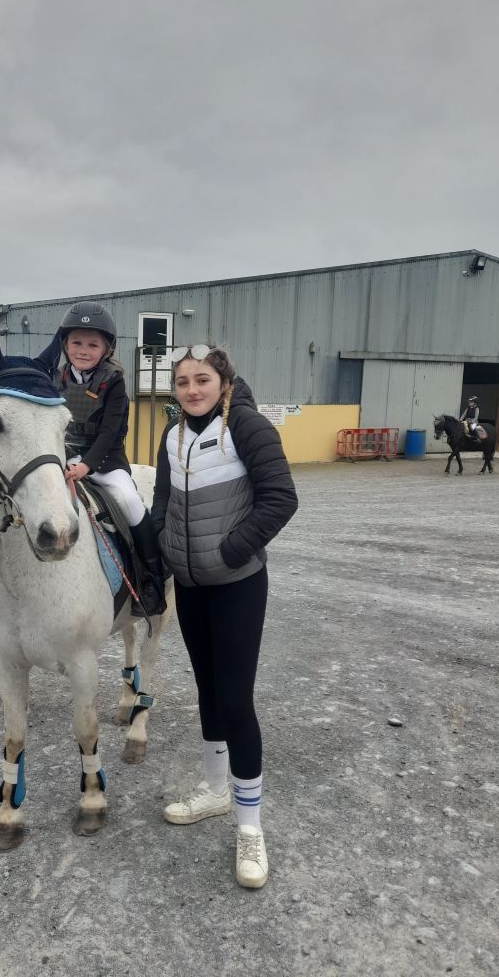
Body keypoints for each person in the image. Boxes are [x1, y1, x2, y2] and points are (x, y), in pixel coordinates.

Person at [151, 343, 298, 888]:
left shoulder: (248, 427)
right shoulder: (173, 435)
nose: (192, 389)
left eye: (202, 380)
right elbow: (163, 502)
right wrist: (162, 552)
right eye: (183, 381)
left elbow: (281, 499)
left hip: (237, 585)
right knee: (208, 694)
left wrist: (233, 551)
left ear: (223, 381)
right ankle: (214, 793)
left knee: (236, 704)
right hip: (190, 589)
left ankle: (250, 828)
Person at [33, 301, 166, 616]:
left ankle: (152, 578)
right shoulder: (56, 377)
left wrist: (85, 466)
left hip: (104, 461)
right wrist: (63, 459)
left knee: (130, 501)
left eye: (92, 344)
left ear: (106, 349)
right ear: (65, 344)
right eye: (76, 342)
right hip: (64, 456)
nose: (83, 349)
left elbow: (109, 432)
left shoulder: (114, 381)